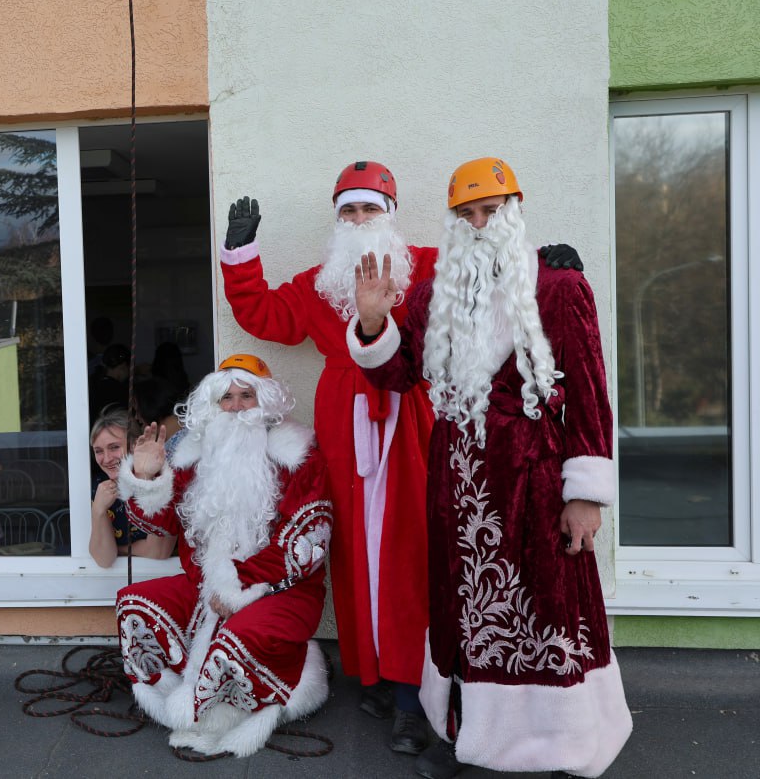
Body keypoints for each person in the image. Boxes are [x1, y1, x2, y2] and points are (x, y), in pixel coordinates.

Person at [219, 162, 583, 757]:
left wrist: (548, 264)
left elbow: (492, 275)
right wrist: (240, 254)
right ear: (337, 220)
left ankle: (418, 692)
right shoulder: (317, 284)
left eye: (370, 209)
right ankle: (375, 674)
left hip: (412, 412)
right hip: (344, 423)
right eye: (348, 211)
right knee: (356, 550)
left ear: (391, 214)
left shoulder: (428, 264)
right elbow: (263, 314)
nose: (360, 221)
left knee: (414, 546)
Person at [349, 157, 631, 779]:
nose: (479, 223)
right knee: (462, 606)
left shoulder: (558, 285)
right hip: (457, 480)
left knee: (544, 606)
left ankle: (561, 742)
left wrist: (584, 494)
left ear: (514, 209)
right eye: (467, 214)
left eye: (491, 210)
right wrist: (373, 322)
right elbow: (400, 373)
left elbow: (588, 392)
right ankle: (466, 736)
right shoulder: (432, 293)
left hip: (533, 476)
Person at [114, 355, 333, 758]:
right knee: (134, 603)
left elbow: (308, 543)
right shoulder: (193, 458)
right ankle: (178, 702)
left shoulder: (298, 457)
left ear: (264, 401)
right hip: (202, 589)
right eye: (225, 398)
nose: (234, 407)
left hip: (281, 591)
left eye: (245, 396)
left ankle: (230, 705)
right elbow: (160, 524)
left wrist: (240, 583)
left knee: (237, 636)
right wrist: (146, 477)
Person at [88, 406, 177, 568]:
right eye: (98, 451)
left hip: (162, 575)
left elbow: (158, 552)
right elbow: (104, 559)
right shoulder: (99, 488)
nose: (106, 459)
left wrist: (118, 549)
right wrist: (98, 511)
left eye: (114, 447)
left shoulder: (160, 479)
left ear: (136, 444)